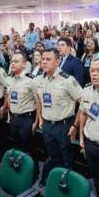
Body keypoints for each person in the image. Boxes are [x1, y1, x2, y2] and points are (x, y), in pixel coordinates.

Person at [34, 49, 83, 184]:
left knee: (66, 159)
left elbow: (83, 102)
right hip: (47, 125)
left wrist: (75, 125)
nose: (44, 62)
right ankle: (56, 183)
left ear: (57, 62)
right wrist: (40, 118)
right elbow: (38, 99)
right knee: (53, 157)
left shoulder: (67, 80)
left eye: (48, 59)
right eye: (43, 59)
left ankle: (68, 185)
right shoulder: (40, 79)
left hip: (64, 126)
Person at [6, 51, 38, 151]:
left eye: (16, 61)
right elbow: (9, 96)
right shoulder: (10, 78)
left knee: (28, 149)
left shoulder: (31, 80)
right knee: (16, 147)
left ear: (24, 64)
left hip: (26, 119)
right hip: (13, 118)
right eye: (12, 61)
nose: (13, 64)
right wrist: (9, 115)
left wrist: (37, 121)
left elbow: (38, 101)